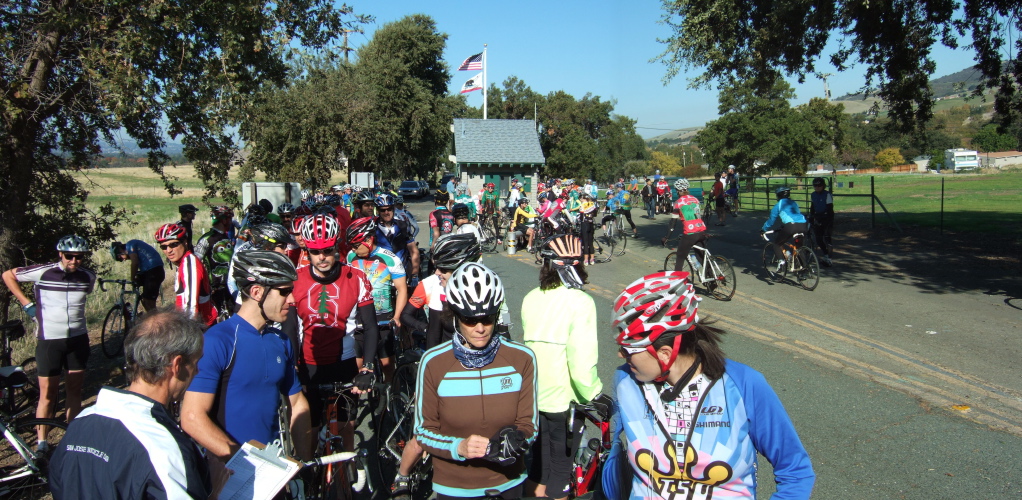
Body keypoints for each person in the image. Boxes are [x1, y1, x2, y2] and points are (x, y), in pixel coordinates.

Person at [604, 273, 815, 499]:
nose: (621, 355)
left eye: (628, 350)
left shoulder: (744, 384)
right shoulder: (625, 382)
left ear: (664, 354)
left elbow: (796, 471)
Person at [49, 309, 226, 500]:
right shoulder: (163, 448)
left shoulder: (78, 425)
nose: (197, 372)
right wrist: (214, 491)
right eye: (196, 363)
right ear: (177, 365)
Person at [415, 262, 537, 499]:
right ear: (455, 317)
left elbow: (529, 423)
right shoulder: (433, 362)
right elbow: (423, 431)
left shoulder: (523, 358)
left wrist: (519, 438)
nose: (480, 328)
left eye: (488, 319)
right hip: (454, 487)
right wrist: (458, 447)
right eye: (470, 320)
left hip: (508, 483)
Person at [181, 251, 312, 466]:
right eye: (284, 292)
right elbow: (192, 418)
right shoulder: (218, 341)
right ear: (257, 292)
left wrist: (306, 464)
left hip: (272, 466)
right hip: (230, 471)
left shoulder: (281, 341)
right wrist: (247, 465)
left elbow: (297, 403)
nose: (292, 299)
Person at [521, 235, 606, 500]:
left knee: (538, 468)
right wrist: (594, 393)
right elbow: (581, 359)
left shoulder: (531, 297)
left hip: (534, 395)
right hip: (564, 400)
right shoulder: (581, 301)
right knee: (561, 470)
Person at [293, 214, 378, 453]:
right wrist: (292, 367)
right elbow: (290, 329)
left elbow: (370, 326)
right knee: (309, 432)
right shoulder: (295, 280)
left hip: (344, 363)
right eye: (314, 252)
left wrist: (367, 367)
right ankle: (309, 472)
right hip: (308, 365)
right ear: (307, 250)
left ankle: (347, 468)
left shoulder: (357, 277)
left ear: (337, 246)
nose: (322, 257)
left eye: (328, 251)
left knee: (346, 429)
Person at [2, 235, 95, 448]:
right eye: (69, 256)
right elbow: (8, 275)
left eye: (79, 257)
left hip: (78, 339)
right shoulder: (44, 272)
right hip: (50, 341)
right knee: (48, 394)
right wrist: (27, 304)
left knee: (74, 391)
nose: (74, 261)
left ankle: (72, 438)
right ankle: (42, 443)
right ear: (60, 254)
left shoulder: (88, 276)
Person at [345, 216, 407, 382]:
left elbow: (402, 289)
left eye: (356, 245)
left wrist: (397, 316)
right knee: (357, 367)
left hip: (383, 318)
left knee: (387, 365)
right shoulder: (350, 257)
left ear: (368, 240)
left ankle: (391, 393)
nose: (354, 250)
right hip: (359, 318)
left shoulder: (389, 258)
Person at [155, 223, 217, 326]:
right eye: (164, 247)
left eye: (173, 244)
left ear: (185, 242)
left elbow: (190, 307)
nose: (169, 250)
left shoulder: (189, 264)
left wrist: (185, 331)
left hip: (201, 327)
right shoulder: (183, 262)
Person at [193, 205, 235, 316]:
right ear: (224, 220)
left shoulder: (225, 237)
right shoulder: (206, 239)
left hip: (230, 285)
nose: (231, 222)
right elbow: (195, 262)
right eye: (230, 219)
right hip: (215, 288)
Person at [374, 193, 420, 286]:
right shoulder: (372, 228)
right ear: (378, 211)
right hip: (380, 274)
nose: (386, 212)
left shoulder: (402, 225)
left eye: (389, 209)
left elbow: (413, 251)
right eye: (383, 210)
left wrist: (414, 274)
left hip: (402, 272)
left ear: (393, 209)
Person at [664, 178, 708, 272]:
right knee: (701, 257)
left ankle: (677, 277)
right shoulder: (695, 199)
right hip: (701, 230)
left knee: (680, 256)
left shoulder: (678, 203)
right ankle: (711, 275)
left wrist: (666, 237)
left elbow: (673, 223)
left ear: (677, 190)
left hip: (690, 233)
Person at [762, 186, 808, 275]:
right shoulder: (793, 203)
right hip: (803, 225)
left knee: (777, 243)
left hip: (791, 226)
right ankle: (804, 270)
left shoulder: (778, 205)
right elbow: (795, 215)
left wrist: (763, 229)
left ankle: (781, 262)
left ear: (778, 195)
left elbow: (771, 220)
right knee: (799, 248)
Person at [110, 239, 166, 312]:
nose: (123, 260)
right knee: (144, 301)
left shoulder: (130, 245)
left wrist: (132, 278)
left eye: (120, 257)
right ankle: (153, 316)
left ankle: (157, 318)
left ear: (120, 250)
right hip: (151, 271)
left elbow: (135, 263)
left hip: (153, 271)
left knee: (148, 302)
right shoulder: (132, 247)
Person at [809, 177, 834, 266]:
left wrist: (827, 220)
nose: (817, 187)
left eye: (819, 185)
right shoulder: (813, 195)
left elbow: (830, 208)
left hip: (827, 218)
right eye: (815, 185)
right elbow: (812, 207)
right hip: (818, 217)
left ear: (823, 186)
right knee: (818, 238)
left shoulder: (827, 194)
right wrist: (811, 216)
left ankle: (829, 258)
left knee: (827, 237)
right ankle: (825, 254)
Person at [578, 194, 598, 265]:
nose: (580, 200)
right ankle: (592, 259)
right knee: (591, 242)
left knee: (585, 243)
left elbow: (581, 217)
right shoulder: (592, 204)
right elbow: (595, 214)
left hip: (585, 224)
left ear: (584, 199)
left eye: (581, 198)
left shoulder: (582, 205)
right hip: (591, 223)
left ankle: (586, 260)